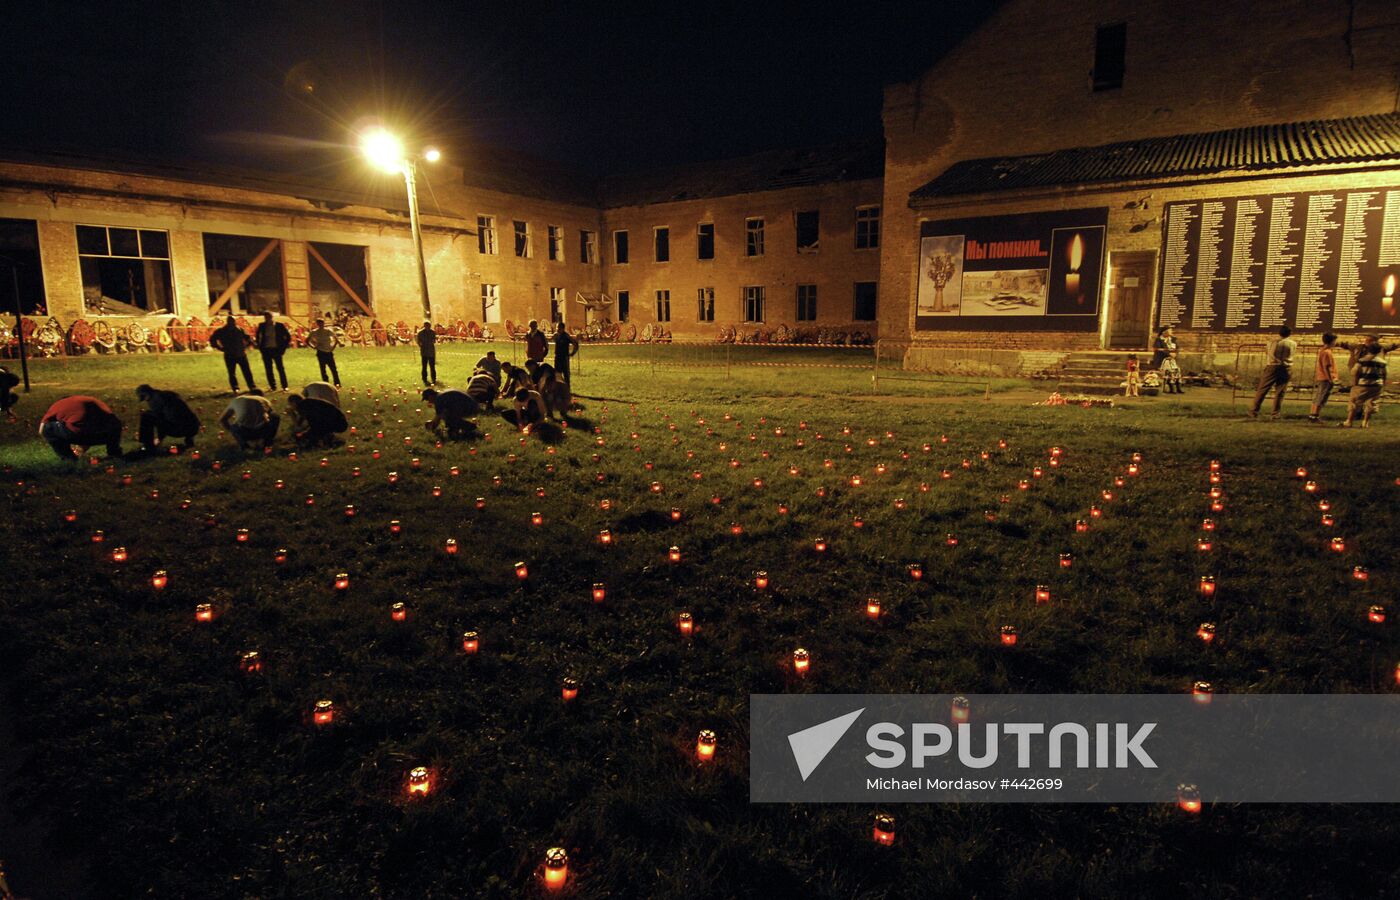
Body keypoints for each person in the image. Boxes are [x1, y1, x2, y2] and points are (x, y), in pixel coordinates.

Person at [39, 395, 123, 460]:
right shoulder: (89, 400)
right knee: (107, 424)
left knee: (48, 429)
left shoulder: (58, 405)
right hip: (108, 434)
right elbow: (90, 423)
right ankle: (114, 453)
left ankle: (69, 458)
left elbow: (41, 430)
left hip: (79, 433)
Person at [134, 384, 200, 453]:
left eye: (144, 398)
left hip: (179, 429)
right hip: (193, 427)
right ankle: (189, 440)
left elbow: (161, 420)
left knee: (146, 416)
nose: (146, 401)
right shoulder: (165, 394)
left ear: (146, 394)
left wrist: (159, 439)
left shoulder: (155, 400)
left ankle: (148, 445)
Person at [1341, 336, 1389, 428]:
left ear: (1368, 350)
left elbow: (1355, 372)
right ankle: (1365, 422)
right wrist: (1383, 383)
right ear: (1379, 351)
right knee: (1371, 403)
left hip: (1362, 385)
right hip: (1376, 386)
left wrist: (1354, 384)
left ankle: (1349, 421)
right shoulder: (1383, 362)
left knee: (1354, 402)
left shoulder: (1362, 361)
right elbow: (1385, 374)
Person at [1250, 325, 1296, 419]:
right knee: (1280, 391)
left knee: (1263, 389)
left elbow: (1268, 352)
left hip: (1272, 366)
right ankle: (1275, 413)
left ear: (1279, 333)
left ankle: (1254, 411)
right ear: (1289, 334)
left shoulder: (1271, 342)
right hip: (1286, 367)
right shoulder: (1293, 343)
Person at [209, 314, 255, 393]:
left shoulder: (239, 329)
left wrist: (248, 344)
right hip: (230, 354)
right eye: (231, 321)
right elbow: (212, 339)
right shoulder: (222, 331)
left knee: (246, 371)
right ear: (228, 322)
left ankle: (252, 386)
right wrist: (219, 347)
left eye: (233, 321)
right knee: (232, 372)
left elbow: (247, 337)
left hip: (240, 353)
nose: (232, 323)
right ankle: (235, 387)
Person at [254, 311, 292, 391]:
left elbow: (288, 337)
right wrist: (260, 346)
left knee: (280, 368)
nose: (267, 319)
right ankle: (273, 386)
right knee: (268, 369)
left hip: (276, 349)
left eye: (268, 317)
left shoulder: (279, 325)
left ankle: (284, 386)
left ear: (272, 317)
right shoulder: (262, 325)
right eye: (266, 317)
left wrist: (283, 347)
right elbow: (258, 336)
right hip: (266, 349)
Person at [1308, 333, 1339, 423]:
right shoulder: (1327, 352)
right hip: (1325, 378)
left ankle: (1312, 415)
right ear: (1332, 341)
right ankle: (1315, 415)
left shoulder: (1323, 350)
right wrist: (1331, 378)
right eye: (1335, 341)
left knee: (1319, 396)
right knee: (1322, 397)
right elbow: (1327, 367)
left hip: (1322, 377)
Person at [307, 318, 341, 387]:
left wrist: (332, 348)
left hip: (328, 352)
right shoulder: (314, 332)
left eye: (322, 323)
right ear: (317, 324)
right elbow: (307, 340)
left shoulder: (328, 331)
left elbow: (336, 339)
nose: (321, 325)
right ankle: (326, 383)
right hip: (320, 352)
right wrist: (313, 347)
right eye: (319, 323)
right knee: (323, 369)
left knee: (333, 369)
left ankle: (337, 382)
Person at [553, 321, 580, 386]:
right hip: (557, 357)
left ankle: (567, 388)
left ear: (562, 328)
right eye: (557, 328)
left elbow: (575, 344)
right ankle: (559, 387)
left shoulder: (566, 336)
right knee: (557, 373)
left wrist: (573, 352)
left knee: (566, 374)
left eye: (558, 328)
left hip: (564, 357)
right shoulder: (556, 335)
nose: (557, 329)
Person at [417, 321, 438, 386]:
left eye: (429, 326)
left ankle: (433, 379)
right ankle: (424, 378)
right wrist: (421, 344)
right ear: (424, 326)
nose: (428, 327)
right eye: (426, 326)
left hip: (431, 352)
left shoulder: (432, 332)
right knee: (424, 366)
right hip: (424, 352)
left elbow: (434, 340)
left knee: (432, 366)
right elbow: (418, 341)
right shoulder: (420, 333)